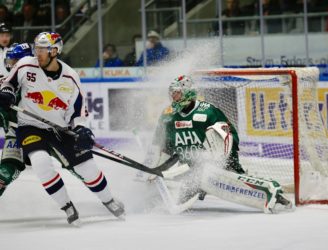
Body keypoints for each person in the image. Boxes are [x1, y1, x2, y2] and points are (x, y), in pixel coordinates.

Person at [0, 31, 125, 225]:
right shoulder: (25, 65)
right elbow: (9, 82)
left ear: (55, 51)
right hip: (30, 126)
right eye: (37, 48)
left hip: (60, 129)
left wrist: (82, 129)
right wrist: (6, 93)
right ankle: (67, 206)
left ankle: (108, 200)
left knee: (88, 169)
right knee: (41, 162)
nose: (38, 52)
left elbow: (78, 113)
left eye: (43, 49)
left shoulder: (71, 77)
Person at [146, 75, 292, 214]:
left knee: (243, 187)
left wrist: (221, 160)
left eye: (177, 93)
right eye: (172, 94)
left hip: (218, 166)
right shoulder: (168, 116)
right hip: (191, 172)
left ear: (187, 93)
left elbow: (229, 135)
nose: (173, 97)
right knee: (181, 199)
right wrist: (156, 168)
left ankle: (277, 197)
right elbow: (164, 146)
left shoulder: (208, 111)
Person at [0, 42, 33, 198]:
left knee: (76, 164)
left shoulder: (38, 79)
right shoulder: (6, 81)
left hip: (44, 131)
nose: (10, 65)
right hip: (16, 131)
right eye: (10, 61)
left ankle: (105, 196)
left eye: (14, 62)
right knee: (6, 171)